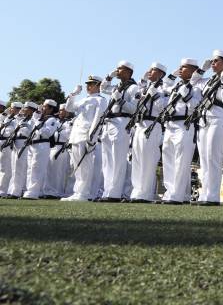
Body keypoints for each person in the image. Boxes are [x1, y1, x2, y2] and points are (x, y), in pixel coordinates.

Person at [193, 50, 223, 206]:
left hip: (219, 119)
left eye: (216, 61)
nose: (213, 63)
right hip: (204, 120)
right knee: (204, 159)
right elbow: (193, 83)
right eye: (212, 61)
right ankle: (205, 194)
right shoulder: (209, 80)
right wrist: (201, 70)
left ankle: (212, 196)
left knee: (213, 157)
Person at [160, 58, 202, 205]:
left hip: (184, 124)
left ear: (192, 71)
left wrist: (187, 95)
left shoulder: (196, 88)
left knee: (181, 161)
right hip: (170, 125)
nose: (180, 69)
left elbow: (197, 107)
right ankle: (170, 192)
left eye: (183, 67)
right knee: (168, 159)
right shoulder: (175, 87)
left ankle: (177, 194)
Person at [62, 75, 108, 201]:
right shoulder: (83, 100)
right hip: (76, 135)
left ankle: (83, 193)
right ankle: (78, 192)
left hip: (86, 136)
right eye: (88, 84)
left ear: (98, 85)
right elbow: (69, 108)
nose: (88, 86)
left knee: (85, 166)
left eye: (91, 84)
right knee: (77, 166)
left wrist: (92, 138)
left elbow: (98, 120)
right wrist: (74, 94)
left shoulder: (101, 100)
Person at [99, 61, 140, 202]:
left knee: (117, 159)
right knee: (107, 160)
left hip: (122, 122)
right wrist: (109, 77)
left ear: (128, 71)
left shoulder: (134, 88)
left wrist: (120, 100)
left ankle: (115, 193)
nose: (117, 70)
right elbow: (103, 88)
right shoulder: (117, 86)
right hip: (109, 123)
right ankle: (107, 191)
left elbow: (134, 109)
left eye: (120, 69)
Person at [129, 62, 169, 203]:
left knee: (148, 159)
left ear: (160, 74)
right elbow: (135, 103)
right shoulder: (144, 87)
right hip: (140, 124)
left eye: (153, 70)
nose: (149, 72)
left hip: (153, 124)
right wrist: (143, 86)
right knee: (137, 158)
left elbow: (164, 108)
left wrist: (156, 96)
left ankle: (145, 193)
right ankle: (137, 190)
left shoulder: (165, 88)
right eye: (150, 69)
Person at [22, 99, 60, 199]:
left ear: (51, 108)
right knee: (30, 169)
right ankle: (29, 190)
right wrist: (34, 120)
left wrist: (36, 121)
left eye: (45, 106)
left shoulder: (52, 120)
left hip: (42, 144)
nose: (42, 108)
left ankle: (33, 192)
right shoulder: (40, 118)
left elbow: (47, 133)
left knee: (37, 168)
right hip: (33, 144)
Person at [6, 102, 38, 198]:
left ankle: (17, 191)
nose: (23, 109)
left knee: (20, 168)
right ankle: (12, 190)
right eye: (23, 108)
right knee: (14, 168)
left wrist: (24, 127)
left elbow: (32, 133)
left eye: (26, 108)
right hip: (16, 142)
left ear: (31, 110)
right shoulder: (20, 119)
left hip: (24, 143)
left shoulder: (33, 120)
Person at [42, 106, 74, 199]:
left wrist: (59, 132)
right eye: (60, 110)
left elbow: (69, 134)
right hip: (53, 146)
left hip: (62, 147)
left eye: (63, 110)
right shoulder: (56, 121)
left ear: (68, 112)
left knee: (59, 171)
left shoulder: (70, 122)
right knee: (50, 170)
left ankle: (57, 191)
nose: (60, 112)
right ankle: (48, 191)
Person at [0, 102, 22, 197]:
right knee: (2, 168)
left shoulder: (18, 120)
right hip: (1, 142)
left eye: (12, 108)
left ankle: (3, 191)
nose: (10, 109)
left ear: (17, 109)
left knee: (6, 169)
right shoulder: (6, 117)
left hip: (8, 144)